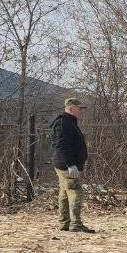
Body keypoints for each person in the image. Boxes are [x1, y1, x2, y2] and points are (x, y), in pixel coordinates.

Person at [50, 97, 94, 233]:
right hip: (66, 165)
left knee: (64, 193)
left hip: (64, 164)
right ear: (71, 108)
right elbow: (62, 146)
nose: (82, 111)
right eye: (80, 108)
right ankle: (76, 224)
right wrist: (71, 164)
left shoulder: (68, 122)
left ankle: (64, 224)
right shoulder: (65, 123)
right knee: (76, 192)